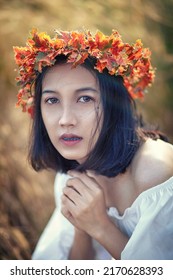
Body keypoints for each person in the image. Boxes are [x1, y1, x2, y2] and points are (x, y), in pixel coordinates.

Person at [13, 28, 173, 260]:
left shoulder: (157, 171)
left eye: (85, 98)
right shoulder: (70, 174)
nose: (66, 119)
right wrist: (83, 226)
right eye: (52, 100)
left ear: (114, 105)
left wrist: (100, 226)